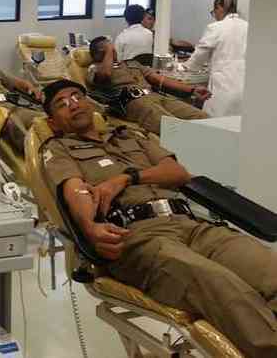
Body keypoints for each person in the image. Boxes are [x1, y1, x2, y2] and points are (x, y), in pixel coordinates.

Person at [39, 78, 277, 358]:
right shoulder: (58, 148)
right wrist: (90, 228)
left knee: (268, 269)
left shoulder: (132, 135)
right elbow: (74, 191)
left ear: (90, 103)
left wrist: (125, 179)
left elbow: (177, 173)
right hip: (139, 238)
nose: (73, 104)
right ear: (53, 121)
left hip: (191, 225)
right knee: (220, 285)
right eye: (61, 103)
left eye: (77, 96)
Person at [87, 36, 210, 134]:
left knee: (202, 118)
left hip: (156, 96)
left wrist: (192, 89)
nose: (113, 50)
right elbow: (106, 74)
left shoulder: (132, 63)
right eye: (109, 49)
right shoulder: (95, 69)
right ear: (98, 54)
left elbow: (160, 79)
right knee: (175, 128)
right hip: (133, 102)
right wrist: (108, 49)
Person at [183, 0, 248, 117]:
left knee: (215, 126)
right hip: (244, 89)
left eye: (214, 12)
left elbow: (198, 58)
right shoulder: (248, 26)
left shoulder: (215, 28)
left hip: (223, 90)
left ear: (219, 8)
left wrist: (186, 66)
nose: (215, 16)